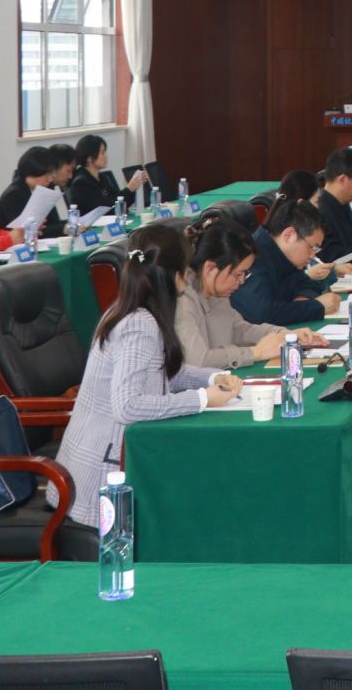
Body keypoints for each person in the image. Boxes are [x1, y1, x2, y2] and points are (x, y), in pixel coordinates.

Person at [51, 226, 241, 536]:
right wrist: (202, 399)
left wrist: (212, 377)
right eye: (186, 267)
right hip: (102, 481)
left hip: (116, 460)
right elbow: (128, 406)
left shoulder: (131, 311)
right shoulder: (138, 325)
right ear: (173, 275)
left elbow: (162, 373)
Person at [174, 216, 330, 368]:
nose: (241, 281)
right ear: (210, 268)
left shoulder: (216, 287)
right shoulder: (182, 298)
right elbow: (198, 361)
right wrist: (255, 353)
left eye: (244, 274)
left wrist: (285, 334)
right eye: (238, 274)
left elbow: (238, 329)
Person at [234, 193, 342, 326]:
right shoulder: (253, 257)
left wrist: (303, 298)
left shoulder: (286, 256)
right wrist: (316, 307)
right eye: (312, 248)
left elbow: (308, 283)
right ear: (289, 235)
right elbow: (260, 314)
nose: (312, 256)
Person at [0, 146, 65, 239]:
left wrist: (64, 227)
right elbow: (24, 231)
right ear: (34, 171)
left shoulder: (43, 190)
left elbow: (53, 223)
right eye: (47, 175)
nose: (50, 180)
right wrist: (63, 229)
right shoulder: (14, 195)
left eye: (52, 175)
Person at [66, 134, 120, 218]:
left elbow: (115, 198)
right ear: (89, 158)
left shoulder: (100, 177)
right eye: (102, 153)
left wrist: (131, 189)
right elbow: (101, 209)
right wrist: (129, 189)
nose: (106, 156)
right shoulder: (81, 183)